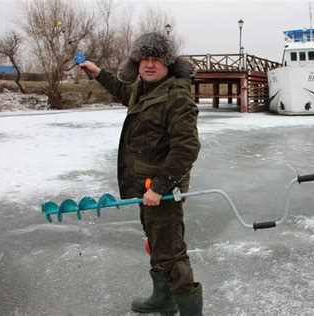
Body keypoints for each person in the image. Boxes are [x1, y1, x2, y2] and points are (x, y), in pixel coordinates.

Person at [80, 32, 202, 315]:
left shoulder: (176, 95)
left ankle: (189, 310)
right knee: (156, 243)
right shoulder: (143, 88)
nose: (149, 64)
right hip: (146, 188)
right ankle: (164, 298)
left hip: (163, 190)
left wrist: (159, 188)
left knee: (171, 254)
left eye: (156, 59)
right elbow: (125, 93)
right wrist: (98, 73)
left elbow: (187, 148)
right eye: (144, 58)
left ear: (168, 63)